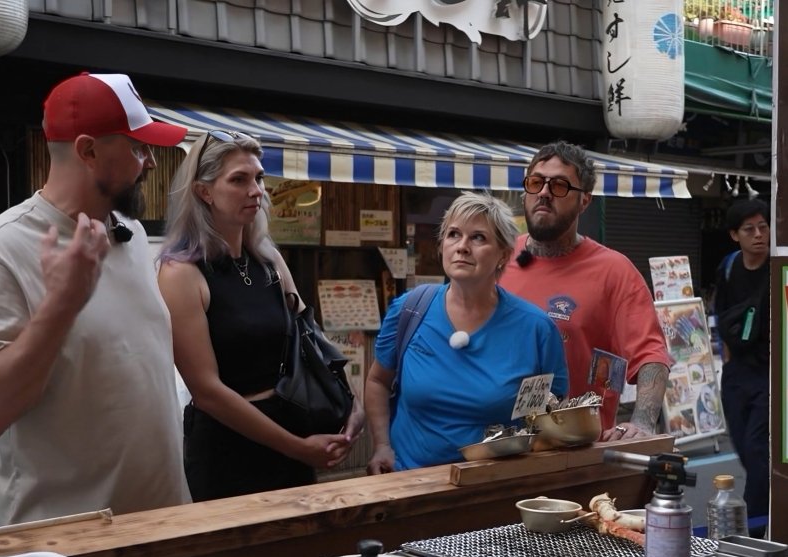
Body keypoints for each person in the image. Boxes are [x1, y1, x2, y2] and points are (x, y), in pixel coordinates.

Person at [0, 72, 192, 525]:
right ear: (87, 150)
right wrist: (62, 303)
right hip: (70, 552)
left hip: (164, 527)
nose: (151, 162)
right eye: (138, 147)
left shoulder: (131, 234)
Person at [157, 131, 365, 502]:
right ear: (204, 191)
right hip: (228, 446)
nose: (256, 190)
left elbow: (312, 343)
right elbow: (207, 392)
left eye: (259, 178)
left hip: (294, 429)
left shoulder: (268, 260)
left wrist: (352, 404)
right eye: (239, 180)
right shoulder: (181, 273)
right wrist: (297, 448)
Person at [365, 191, 568, 474]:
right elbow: (377, 381)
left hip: (495, 488)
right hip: (410, 482)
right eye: (453, 235)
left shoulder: (535, 329)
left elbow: (548, 414)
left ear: (503, 255)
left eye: (478, 238)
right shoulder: (410, 310)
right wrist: (382, 445)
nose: (462, 247)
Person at [499, 141, 671, 441]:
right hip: (498, 445)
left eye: (560, 186)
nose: (544, 192)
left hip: (580, 453)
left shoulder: (614, 271)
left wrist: (642, 422)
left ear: (584, 201)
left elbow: (651, 356)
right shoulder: (498, 257)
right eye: (536, 182)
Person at [713, 199, 769, 529]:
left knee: (759, 452)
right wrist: (727, 363)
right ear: (735, 235)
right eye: (749, 229)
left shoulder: (779, 266)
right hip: (736, 376)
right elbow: (720, 314)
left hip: (770, 375)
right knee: (746, 451)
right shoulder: (729, 267)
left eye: (763, 227)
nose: (759, 234)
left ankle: (756, 531)